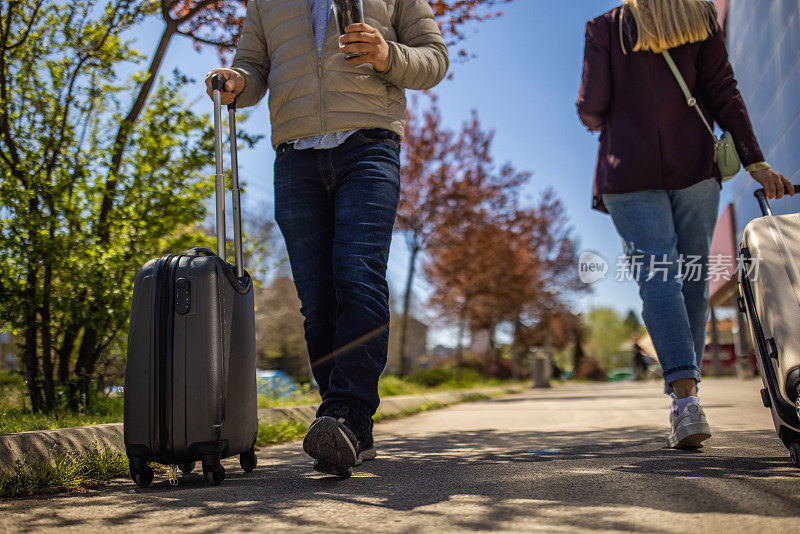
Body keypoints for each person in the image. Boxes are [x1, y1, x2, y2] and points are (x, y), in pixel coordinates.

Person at [205, 0, 448, 476]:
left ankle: (347, 415)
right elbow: (254, 66)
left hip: (369, 147)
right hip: (295, 156)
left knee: (357, 277)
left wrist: (386, 55)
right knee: (317, 299)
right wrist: (237, 81)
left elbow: (433, 60)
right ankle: (345, 424)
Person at [577, 0, 794, 448]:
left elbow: (592, 105)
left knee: (657, 276)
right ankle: (689, 396)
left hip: (628, 171)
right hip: (695, 166)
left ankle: (685, 401)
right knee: (693, 280)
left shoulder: (607, 27)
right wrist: (757, 161)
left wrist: (597, 112)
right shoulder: (698, 17)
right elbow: (723, 90)